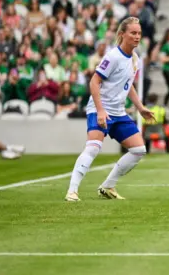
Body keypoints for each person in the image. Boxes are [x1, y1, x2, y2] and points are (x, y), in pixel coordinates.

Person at [65, 17, 154, 202]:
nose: (137, 37)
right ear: (122, 35)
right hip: (101, 109)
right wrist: (100, 111)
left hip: (118, 112)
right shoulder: (113, 56)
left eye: (139, 33)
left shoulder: (134, 59)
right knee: (93, 148)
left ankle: (107, 186)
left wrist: (140, 107)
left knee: (139, 149)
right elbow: (94, 81)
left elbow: (128, 85)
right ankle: (72, 191)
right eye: (133, 33)